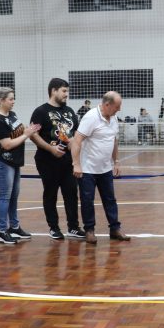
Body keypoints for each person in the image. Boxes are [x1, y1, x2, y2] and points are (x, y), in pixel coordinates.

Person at [71, 91, 132, 244]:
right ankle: (89, 230)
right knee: (87, 201)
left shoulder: (113, 118)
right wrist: (76, 164)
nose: (119, 109)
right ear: (107, 104)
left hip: (105, 169)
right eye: (117, 106)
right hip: (87, 170)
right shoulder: (91, 117)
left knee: (110, 199)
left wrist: (116, 161)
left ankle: (115, 228)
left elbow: (114, 140)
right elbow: (77, 140)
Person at [0, 87, 41, 245]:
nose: (13, 101)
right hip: (2, 159)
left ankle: (14, 227)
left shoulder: (12, 114)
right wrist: (26, 134)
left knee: (14, 194)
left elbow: (19, 130)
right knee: (5, 194)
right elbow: (7, 144)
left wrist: (29, 129)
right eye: (10, 99)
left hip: (14, 159)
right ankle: (2, 230)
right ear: (1, 100)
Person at [29, 78, 81, 240]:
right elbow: (33, 134)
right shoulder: (41, 111)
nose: (67, 94)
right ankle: (54, 227)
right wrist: (51, 149)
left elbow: (75, 135)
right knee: (50, 193)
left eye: (67, 91)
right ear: (54, 91)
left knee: (71, 193)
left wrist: (75, 150)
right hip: (47, 160)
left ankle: (73, 227)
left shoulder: (70, 111)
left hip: (67, 161)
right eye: (64, 91)